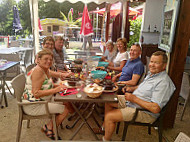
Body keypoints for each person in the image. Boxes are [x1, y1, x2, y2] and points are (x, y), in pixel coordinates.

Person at [102, 51, 176, 141]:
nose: (152, 65)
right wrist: (132, 89)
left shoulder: (163, 82)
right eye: (152, 62)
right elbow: (144, 87)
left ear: (164, 65)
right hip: (133, 102)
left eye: (156, 63)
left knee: (110, 116)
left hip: (144, 112)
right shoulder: (152, 74)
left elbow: (155, 108)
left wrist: (134, 98)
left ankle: (106, 139)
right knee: (108, 100)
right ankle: (106, 128)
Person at [22, 49, 69, 140]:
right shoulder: (38, 72)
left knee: (65, 102)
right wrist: (56, 89)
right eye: (46, 59)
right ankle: (49, 127)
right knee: (65, 110)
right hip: (33, 105)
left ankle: (50, 126)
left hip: (41, 101)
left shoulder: (44, 69)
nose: (49, 61)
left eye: (51, 59)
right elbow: (36, 93)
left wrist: (58, 85)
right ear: (38, 60)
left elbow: (46, 84)